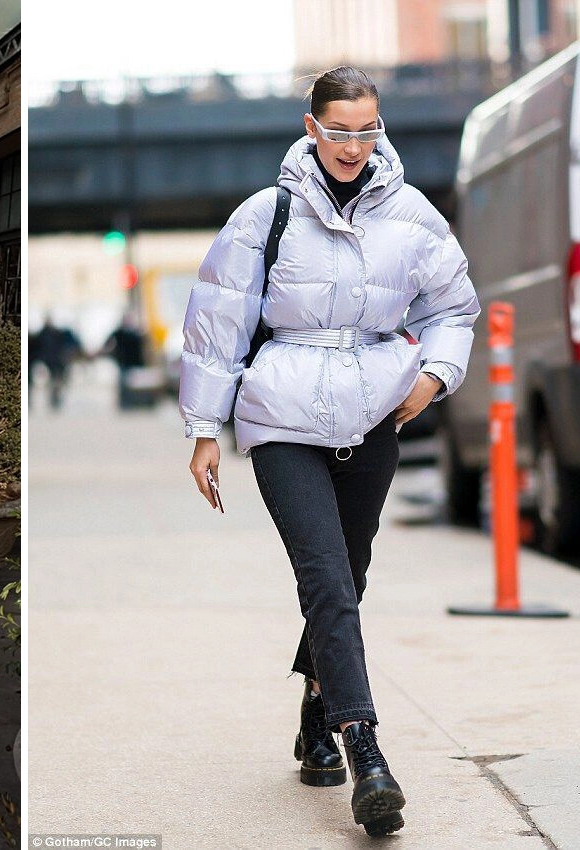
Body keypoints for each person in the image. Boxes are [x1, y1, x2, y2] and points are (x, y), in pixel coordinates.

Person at [179, 66, 480, 837]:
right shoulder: (265, 215)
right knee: (325, 579)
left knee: (351, 574)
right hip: (282, 418)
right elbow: (217, 322)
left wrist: (436, 375)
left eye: (366, 129)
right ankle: (363, 749)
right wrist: (204, 430)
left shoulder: (412, 215)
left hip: (374, 415)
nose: (352, 144)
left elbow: (453, 306)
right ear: (311, 128)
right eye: (338, 129)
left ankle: (315, 711)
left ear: (379, 129)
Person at [31, 315, 80, 409]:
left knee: (57, 381)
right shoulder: (45, 334)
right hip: (51, 361)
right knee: (55, 381)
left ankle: (55, 399)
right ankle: (54, 400)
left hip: (56, 361)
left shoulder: (54, 333)